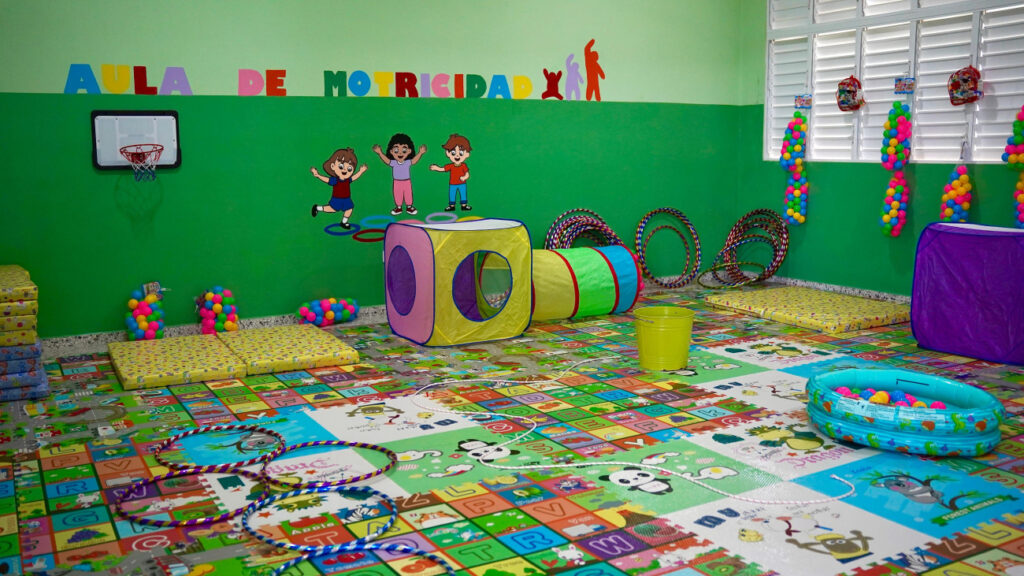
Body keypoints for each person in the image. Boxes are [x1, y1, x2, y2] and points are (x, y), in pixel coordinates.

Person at [310, 148, 367, 229]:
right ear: (333, 166)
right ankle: (317, 208)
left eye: (349, 168)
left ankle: (344, 222)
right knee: (332, 209)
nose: (345, 170)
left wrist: (361, 171)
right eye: (341, 166)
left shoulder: (348, 180)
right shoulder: (335, 180)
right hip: (336, 199)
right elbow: (327, 180)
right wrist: (318, 175)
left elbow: (354, 177)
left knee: (349, 209)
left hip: (346, 199)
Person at [372, 133, 426, 215]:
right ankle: (398, 207)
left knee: (408, 194)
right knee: (397, 194)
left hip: (406, 181)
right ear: (391, 151)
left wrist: (420, 153)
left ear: (409, 151)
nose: (400, 153)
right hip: (397, 181)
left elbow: (414, 160)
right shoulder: (393, 162)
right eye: (396, 150)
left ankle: (409, 207)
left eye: (404, 150)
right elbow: (387, 161)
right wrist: (380, 153)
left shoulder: (407, 162)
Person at [430, 134, 472, 211]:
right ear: (448, 153)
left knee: (463, 194)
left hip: (462, 183)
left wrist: (464, 177)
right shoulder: (450, 166)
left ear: (467, 154)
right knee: (452, 195)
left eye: (461, 153)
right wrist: (436, 168)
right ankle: (452, 206)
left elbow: (467, 174)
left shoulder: (463, 165)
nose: (457, 156)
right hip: (452, 184)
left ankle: (464, 205)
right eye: (453, 153)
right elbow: (443, 169)